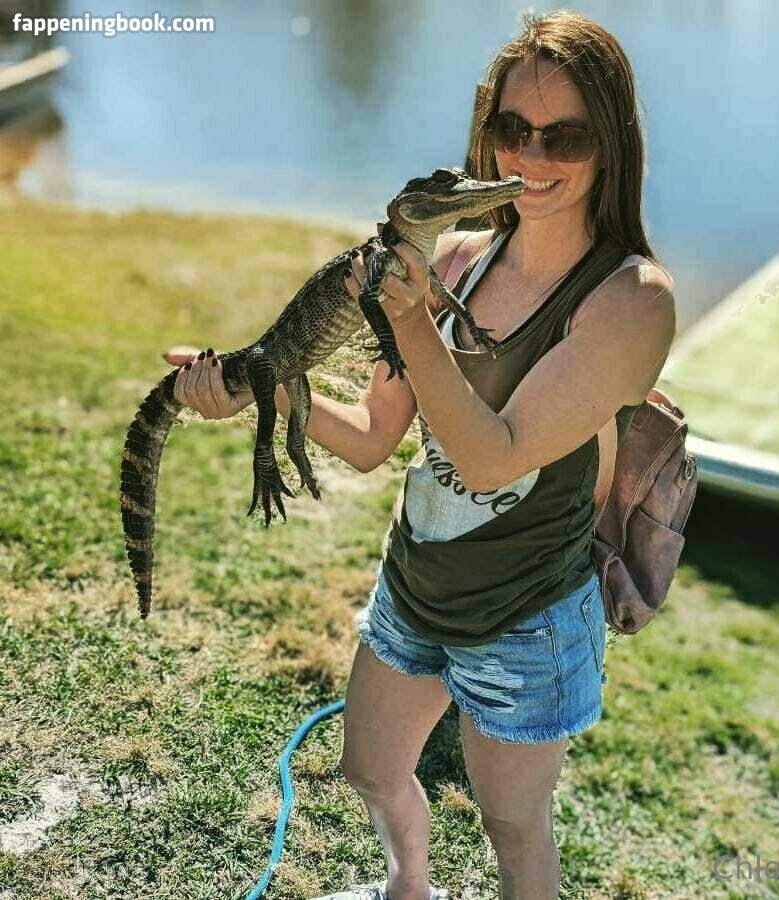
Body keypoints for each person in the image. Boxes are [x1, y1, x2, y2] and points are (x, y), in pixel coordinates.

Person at [166, 11, 674, 900]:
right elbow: (373, 437)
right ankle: (410, 889)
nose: (530, 156)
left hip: (527, 619)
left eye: (564, 136)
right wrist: (262, 386)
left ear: (612, 144)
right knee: (368, 769)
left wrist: (408, 318)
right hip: (413, 587)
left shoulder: (631, 300)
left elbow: (491, 459)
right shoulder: (461, 257)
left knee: (513, 829)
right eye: (512, 128)